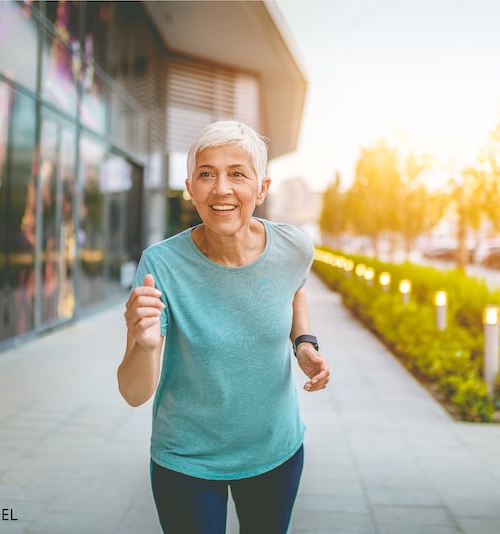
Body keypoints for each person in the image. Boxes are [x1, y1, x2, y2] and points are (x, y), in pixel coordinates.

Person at [117, 119, 330, 534]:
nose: (222, 189)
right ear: (190, 188)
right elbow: (133, 393)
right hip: (187, 459)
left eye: (237, 174)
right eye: (206, 174)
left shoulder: (293, 247)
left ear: (262, 188)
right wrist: (143, 345)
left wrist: (303, 343)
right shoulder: (160, 266)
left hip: (276, 452)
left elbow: (294, 289)